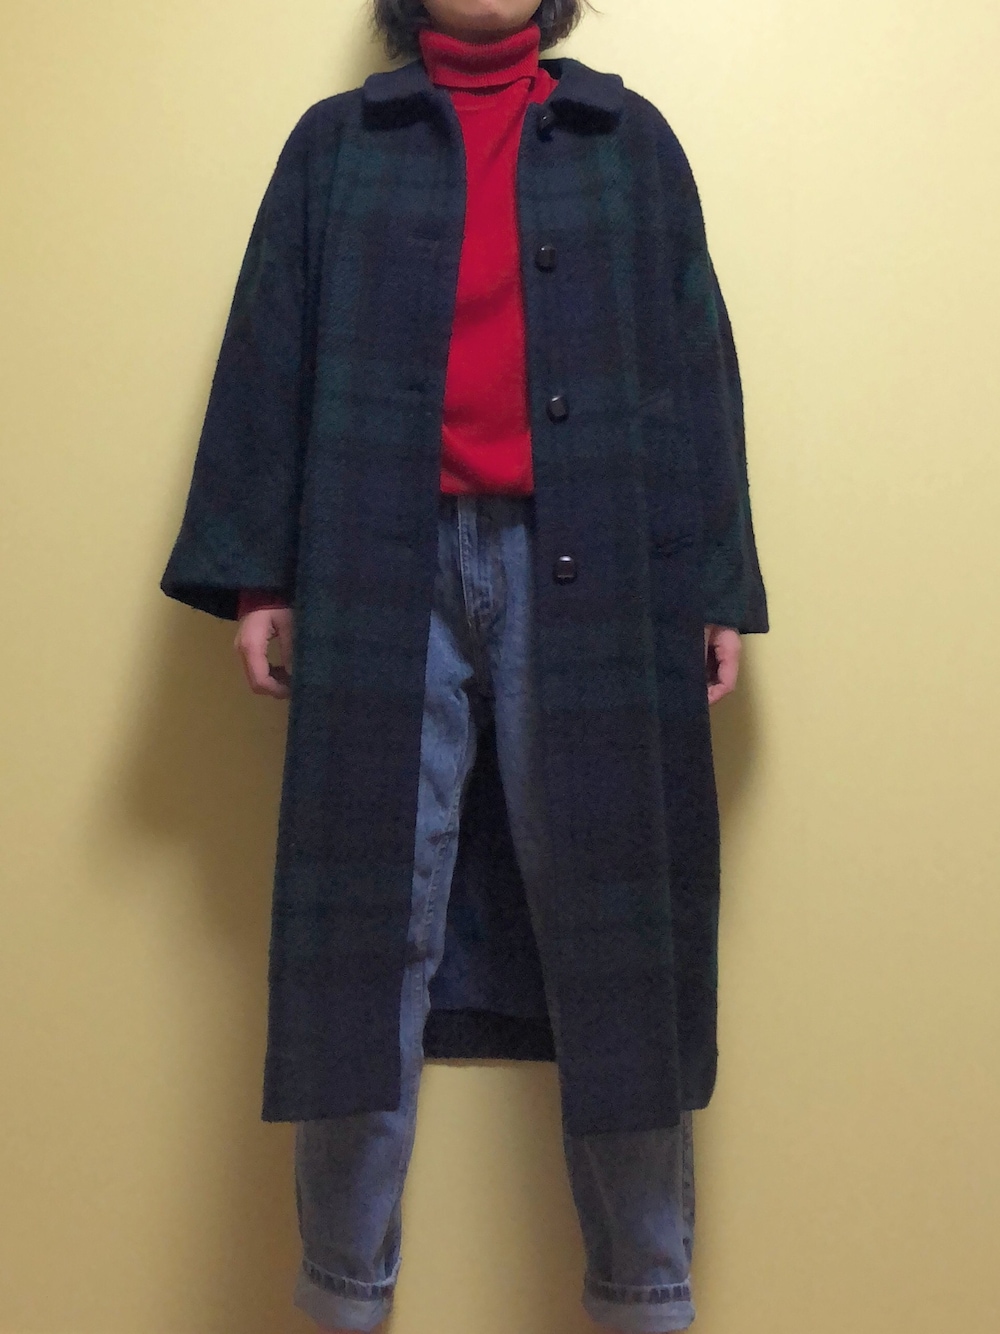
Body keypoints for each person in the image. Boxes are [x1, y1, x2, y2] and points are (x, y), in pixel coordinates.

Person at [160, 1, 769, 1329]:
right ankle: (340, 1298)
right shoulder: (339, 147)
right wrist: (261, 575)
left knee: (621, 941)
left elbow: (694, 371)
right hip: (379, 574)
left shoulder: (626, 143)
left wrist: (714, 583)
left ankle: (646, 1297)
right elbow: (270, 350)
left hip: (599, 573)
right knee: (363, 941)